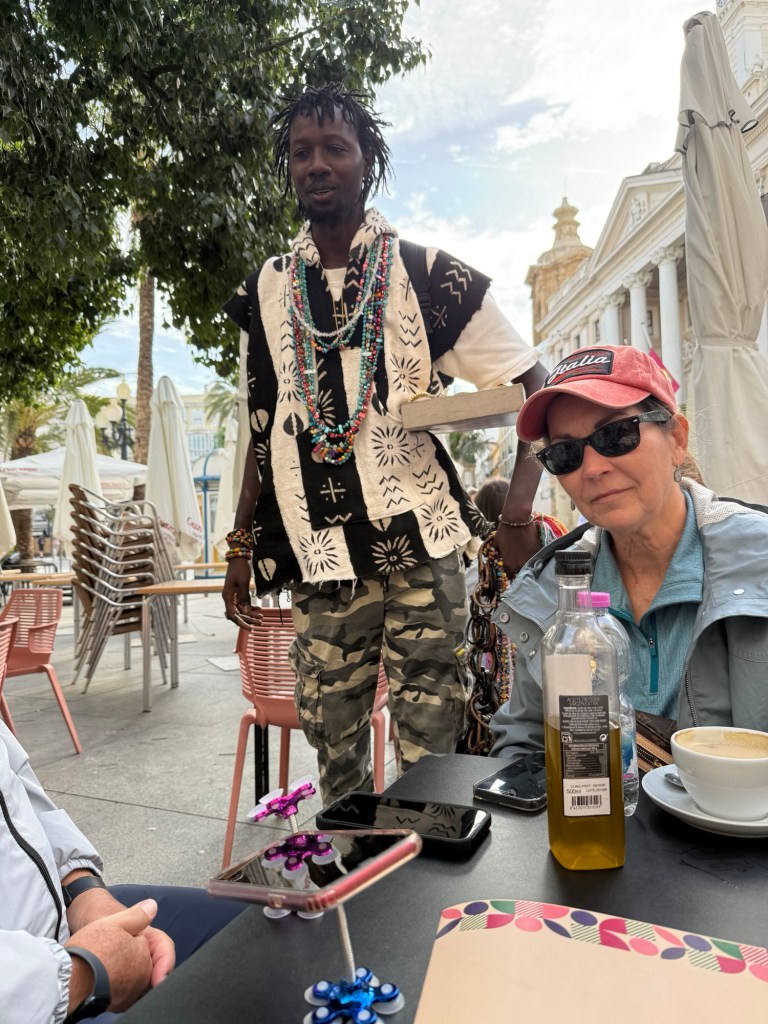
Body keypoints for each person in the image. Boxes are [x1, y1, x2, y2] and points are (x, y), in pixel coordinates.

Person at [221, 83, 547, 802]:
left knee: (432, 746)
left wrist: (518, 514)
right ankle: (356, 868)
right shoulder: (266, 291)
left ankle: (426, 871)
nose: (317, 164)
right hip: (320, 551)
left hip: (422, 545)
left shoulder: (427, 274)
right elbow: (263, 428)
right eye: (301, 152)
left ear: (366, 162)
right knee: (334, 745)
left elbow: (534, 381)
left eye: (335, 148)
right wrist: (241, 543)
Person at [490, 344, 768, 759]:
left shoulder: (759, 558)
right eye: (565, 453)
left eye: (617, 435)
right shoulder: (549, 591)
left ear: (677, 439)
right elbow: (525, 742)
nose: (593, 468)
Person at [1, 722, 246, 1022]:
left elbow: (17, 791)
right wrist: (77, 975)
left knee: (264, 922)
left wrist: (83, 892)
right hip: (35, 996)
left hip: (60, 918)